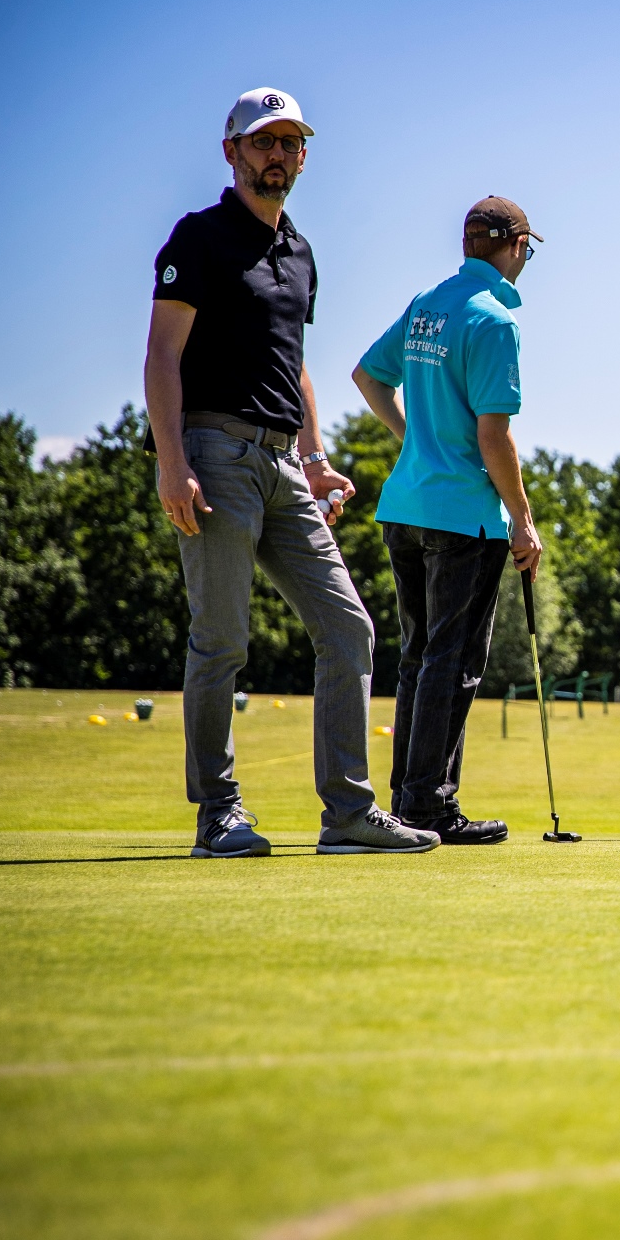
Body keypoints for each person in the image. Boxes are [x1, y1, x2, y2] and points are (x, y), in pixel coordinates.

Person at [145, 87, 436, 857]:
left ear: (304, 156)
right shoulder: (197, 238)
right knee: (222, 641)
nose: (277, 155)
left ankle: (346, 814)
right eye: (262, 141)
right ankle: (219, 813)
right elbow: (162, 357)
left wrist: (314, 457)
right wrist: (171, 461)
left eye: (290, 143)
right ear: (231, 151)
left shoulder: (299, 251)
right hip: (211, 454)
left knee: (349, 630)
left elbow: (294, 365)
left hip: (281, 464)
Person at [352, 197, 547, 845]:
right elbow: (496, 438)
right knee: (454, 660)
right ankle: (429, 807)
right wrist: (524, 520)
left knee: (419, 657)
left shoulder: (427, 303)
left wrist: (414, 440)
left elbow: (366, 376)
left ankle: (410, 802)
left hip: (405, 507)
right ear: (515, 246)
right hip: (463, 516)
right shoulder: (494, 321)